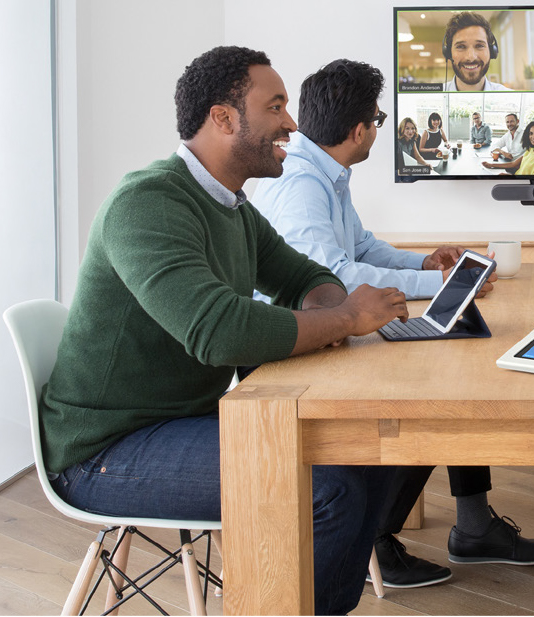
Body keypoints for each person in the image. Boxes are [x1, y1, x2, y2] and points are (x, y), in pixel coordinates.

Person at [39, 46, 409, 616]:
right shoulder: (147, 202)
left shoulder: (233, 206)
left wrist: (334, 310)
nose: (292, 123)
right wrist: (345, 319)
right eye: (276, 106)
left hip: (186, 420)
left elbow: (303, 274)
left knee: (376, 450)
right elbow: (218, 330)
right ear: (222, 117)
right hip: (107, 450)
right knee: (329, 488)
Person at [253, 59, 534, 590]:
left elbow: (361, 245)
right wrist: (439, 288)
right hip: (303, 356)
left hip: (333, 336)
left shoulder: (324, 172)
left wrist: (424, 263)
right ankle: (373, 538)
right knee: (428, 398)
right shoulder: (301, 185)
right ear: (360, 130)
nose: (378, 126)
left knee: (457, 363)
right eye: (377, 117)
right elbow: (334, 276)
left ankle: (474, 526)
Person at [442, 11, 511, 91]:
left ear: (491, 51)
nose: (471, 57)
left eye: (479, 46)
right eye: (461, 46)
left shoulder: (510, 98)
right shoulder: (432, 97)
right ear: (449, 52)